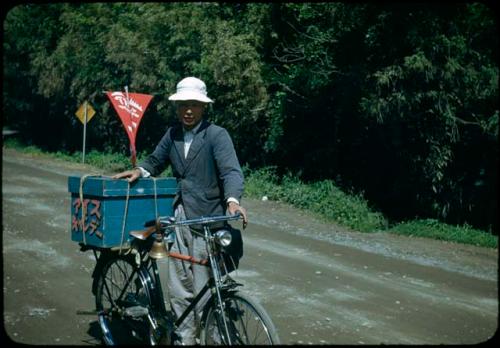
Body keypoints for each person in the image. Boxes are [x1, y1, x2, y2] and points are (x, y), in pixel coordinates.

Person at [112, 76, 248, 345]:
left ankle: (213, 337)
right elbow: (156, 159)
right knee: (179, 285)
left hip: (208, 219)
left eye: (194, 105)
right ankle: (184, 338)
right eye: (183, 104)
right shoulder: (172, 135)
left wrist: (233, 200)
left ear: (203, 107)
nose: (188, 110)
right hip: (180, 218)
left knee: (205, 287)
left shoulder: (216, 135)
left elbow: (231, 171)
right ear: (177, 107)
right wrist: (140, 170)